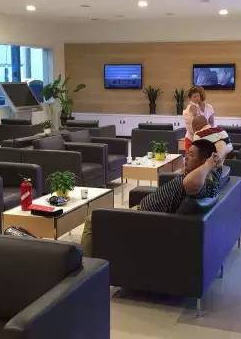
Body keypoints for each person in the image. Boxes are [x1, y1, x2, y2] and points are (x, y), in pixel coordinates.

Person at [81, 139, 222, 255]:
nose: (186, 158)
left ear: (204, 161)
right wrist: (211, 162)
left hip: (145, 219)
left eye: (191, 155)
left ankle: (88, 269)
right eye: (186, 154)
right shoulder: (209, 175)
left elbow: (191, 184)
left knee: (92, 220)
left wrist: (208, 164)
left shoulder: (203, 184)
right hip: (143, 213)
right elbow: (223, 151)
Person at [183, 86, 215, 152]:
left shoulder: (209, 107)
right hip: (192, 139)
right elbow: (192, 128)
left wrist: (209, 135)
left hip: (206, 139)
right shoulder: (189, 109)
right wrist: (194, 114)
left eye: (198, 96)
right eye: (194, 97)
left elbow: (212, 123)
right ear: (190, 99)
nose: (197, 98)